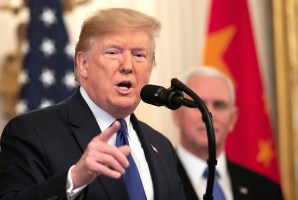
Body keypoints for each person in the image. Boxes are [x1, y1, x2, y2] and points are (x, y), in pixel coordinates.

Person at [0, 8, 185, 200]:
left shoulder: (162, 146)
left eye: (139, 55)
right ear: (83, 64)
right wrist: (74, 179)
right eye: (113, 53)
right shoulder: (31, 132)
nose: (128, 66)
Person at [172, 66, 284, 200]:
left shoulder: (267, 190)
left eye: (219, 105)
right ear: (176, 115)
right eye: (197, 105)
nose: (209, 115)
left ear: (233, 118)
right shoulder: (155, 181)